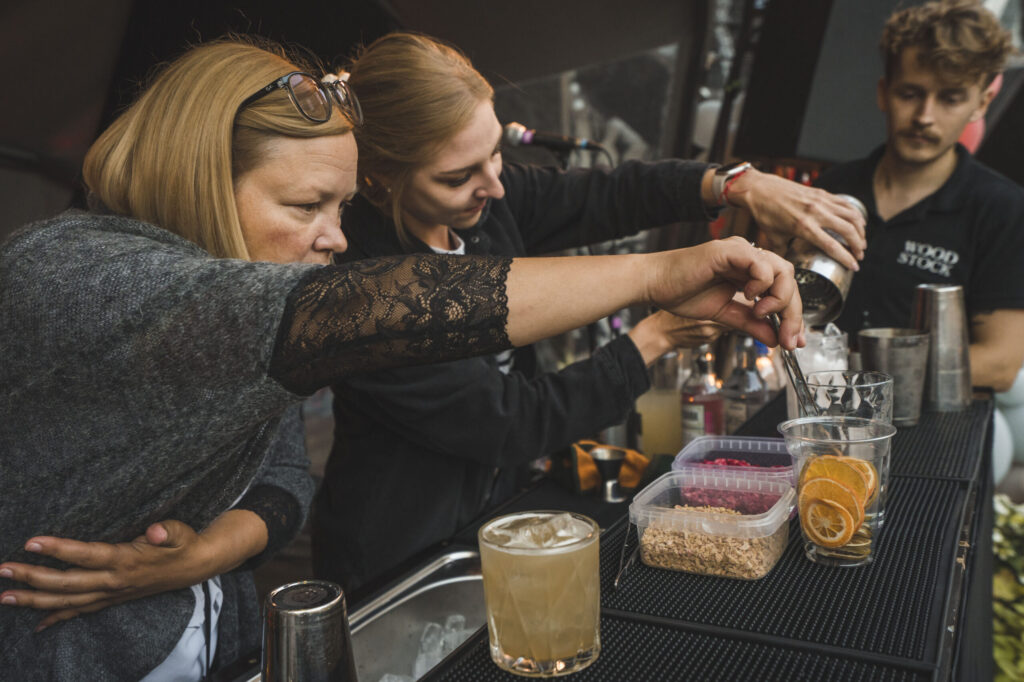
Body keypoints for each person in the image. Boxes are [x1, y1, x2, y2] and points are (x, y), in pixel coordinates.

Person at [0, 35, 806, 680]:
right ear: (198, 175)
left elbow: (285, 478)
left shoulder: (259, 320)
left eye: (340, 206)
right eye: (306, 205)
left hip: (217, 641)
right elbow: (358, 308)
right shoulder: (69, 271)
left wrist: (206, 554)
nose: (336, 238)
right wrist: (659, 281)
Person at [310, 32, 868, 593]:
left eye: (496, 153)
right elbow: (509, 422)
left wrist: (738, 186)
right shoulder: (364, 292)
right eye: (458, 177)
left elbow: (610, 194)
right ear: (379, 174)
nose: (495, 187)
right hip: (398, 553)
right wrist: (656, 337)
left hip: (491, 515)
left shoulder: (481, 207)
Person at [815, 0, 1024, 391]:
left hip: (940, 424)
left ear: (980, 104)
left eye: (950, 98)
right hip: (823, 411)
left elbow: (1000, 363)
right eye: (910, 93)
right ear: (884, 92)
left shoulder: (1003, 210)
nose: (925, 116)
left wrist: (854, 371)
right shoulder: (831, 190)